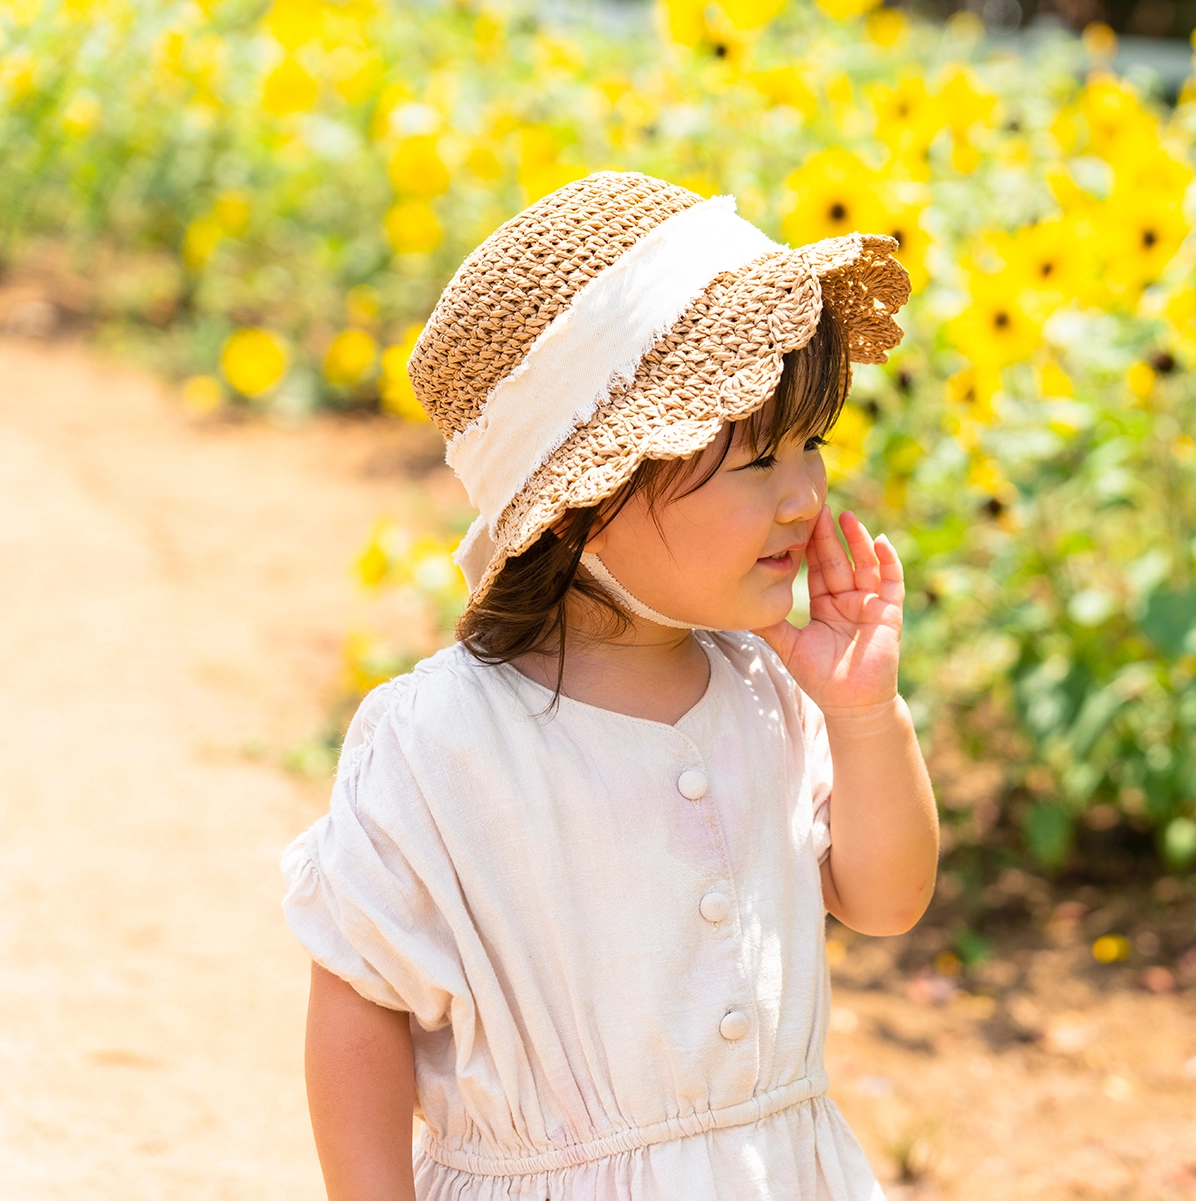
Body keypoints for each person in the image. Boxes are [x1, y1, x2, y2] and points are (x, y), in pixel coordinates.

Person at [280, 170, 937, 1201]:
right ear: (584, 498)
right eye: (756, 460)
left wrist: (863, 714)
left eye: (810, 446)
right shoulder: (442, 739)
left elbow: (887, 900)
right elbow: (361, 1000)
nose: (804, 494)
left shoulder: (768, 693)